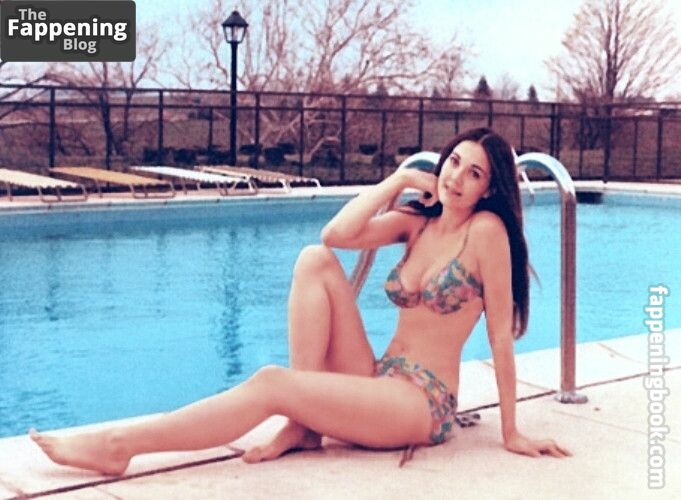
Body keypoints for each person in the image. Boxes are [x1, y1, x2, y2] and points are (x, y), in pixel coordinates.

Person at [30, 127, 570, 476]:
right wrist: (398, 179)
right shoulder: (417, 222)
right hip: (380, 376)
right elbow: (336, 235)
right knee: (314, 259)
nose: (456, 177)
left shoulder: (487, 232)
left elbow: (499, 335)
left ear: (488, 188)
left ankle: (121, 446)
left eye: (474, 173)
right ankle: (305, 426)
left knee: (271, 383)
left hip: (420, 403)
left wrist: (512, 432)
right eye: (454, 162)